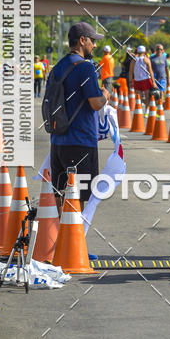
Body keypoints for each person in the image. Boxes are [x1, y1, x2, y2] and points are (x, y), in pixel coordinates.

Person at [49, 22, 109, 212]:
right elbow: (95, 103)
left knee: (60, 195)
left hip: (58, 141)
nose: (95, 45)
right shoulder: (85, 68)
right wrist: (105, 96)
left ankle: (60, 230)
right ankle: (74, 232)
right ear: (82, 40)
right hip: (81, 143)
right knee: (77, 199)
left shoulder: (58, 66)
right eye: (92, 41)